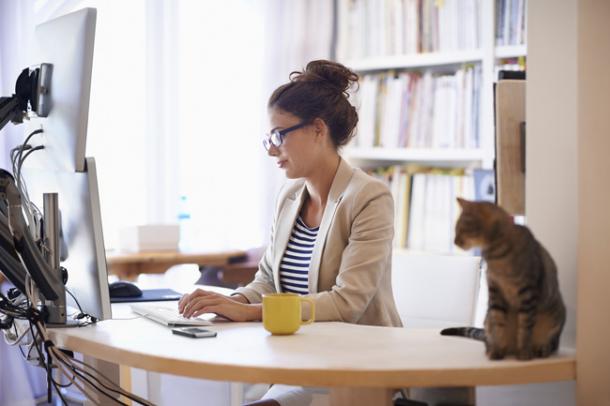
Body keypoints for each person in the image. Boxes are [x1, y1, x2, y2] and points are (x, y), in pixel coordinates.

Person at [178, 60, 402, 405]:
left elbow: (346, 304)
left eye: (279, 135)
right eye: (269, 137)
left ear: (317, 129)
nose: (271, 148)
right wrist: (231, 302)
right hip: (299, 364)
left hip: (359, 373)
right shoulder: (290, 196)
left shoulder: (369, 197)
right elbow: (268, 279)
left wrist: (251, 313)